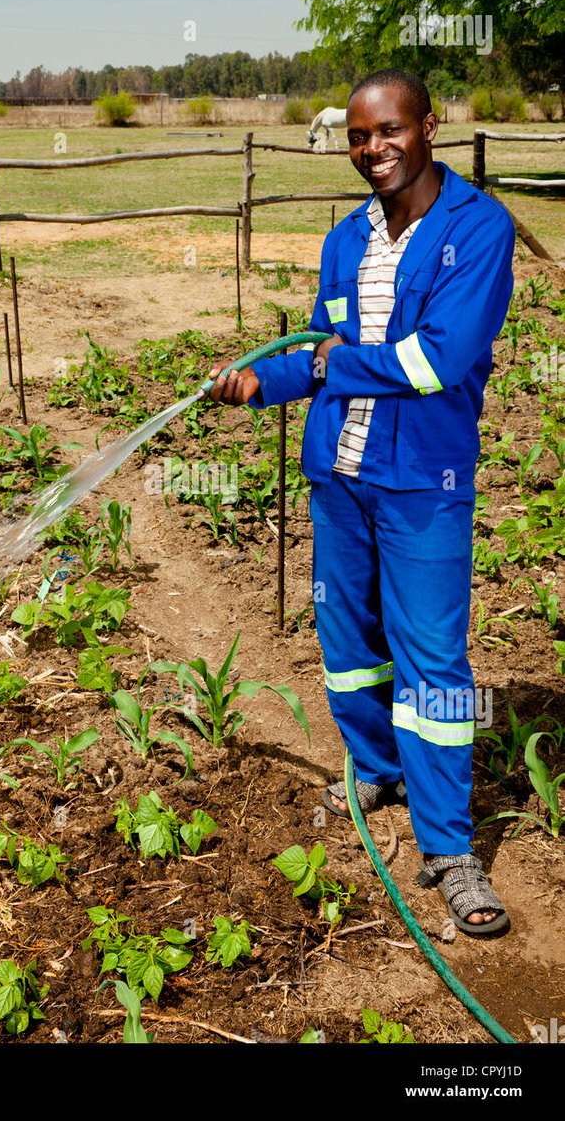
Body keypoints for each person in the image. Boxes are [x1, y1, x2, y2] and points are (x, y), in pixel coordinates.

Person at [209, 68, 515, 937]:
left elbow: (437, 361)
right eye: (357, 136)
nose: (373, 149)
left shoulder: (476, 229)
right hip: (339, 476)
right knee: (348, 643)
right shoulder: (346, 240)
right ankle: (377, 768)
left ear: (427, 127)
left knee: (434, 665)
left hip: (423, 481)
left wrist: (320, 366)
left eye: (389, 130)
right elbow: (314, 346)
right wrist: (250, 384)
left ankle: (450, 848)